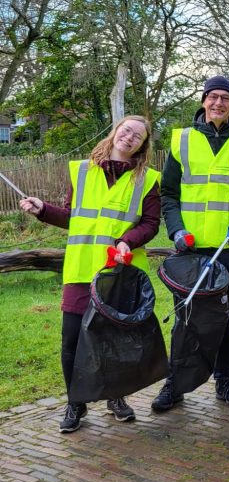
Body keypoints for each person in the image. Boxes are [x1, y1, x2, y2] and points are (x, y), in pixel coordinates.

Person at [20, 116, 161, 433]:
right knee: (71, 340)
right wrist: (43, 209)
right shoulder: (82, 171)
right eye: (125, 130)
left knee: (115, 341)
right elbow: (73, 217)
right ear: (115, 133)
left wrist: (128, 240)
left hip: (119, 273)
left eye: (137, 136)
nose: (129, 137)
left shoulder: (148, 179)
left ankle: (115, 397)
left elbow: (151, 223)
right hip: (81, 269)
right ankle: (76, 402)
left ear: (143, 145)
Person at [152, 75, 229, 412]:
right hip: (189, 249)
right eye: (213, 97)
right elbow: (170, 195)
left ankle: (224, 380)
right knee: (184, 318)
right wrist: (176, 230)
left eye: (226, 98)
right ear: (203, 101)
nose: (218, 103)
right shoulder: (182, 142)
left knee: (227, 317)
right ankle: (175, 385)